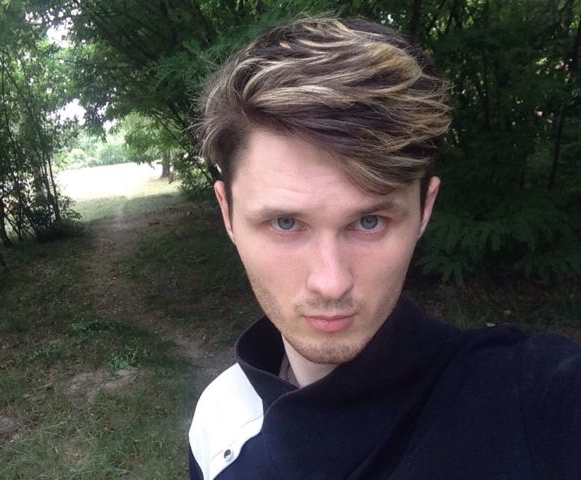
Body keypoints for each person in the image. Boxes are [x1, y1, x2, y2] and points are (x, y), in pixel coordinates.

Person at [188, 16, 581, 480]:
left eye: (369, 222)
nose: (331, 282)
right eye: (285, 223)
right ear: (228, 214)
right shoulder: (218, 421)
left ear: (425, 209)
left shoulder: (530, 398)